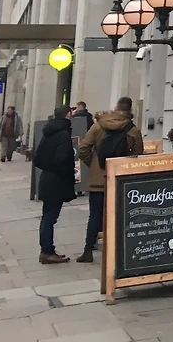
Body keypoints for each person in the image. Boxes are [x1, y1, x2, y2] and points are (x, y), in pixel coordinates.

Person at [76, 96, 143, 263]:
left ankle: (88, 250)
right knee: (120, 216)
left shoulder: (98, 124)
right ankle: (119, 252)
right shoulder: (133, 130)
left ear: (115, 107)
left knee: (95, 215)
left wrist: (93, 164)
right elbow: (138, 155)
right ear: (130, 110)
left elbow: (83, 148)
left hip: (98, 179)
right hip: (120, 179)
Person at [34, 105, 77, 263]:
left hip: (47, 178)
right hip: (57, 182)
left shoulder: (49, 132)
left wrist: (49, 167)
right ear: (67, 115)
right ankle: (47, 251)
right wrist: (67, 172)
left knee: (47, 216)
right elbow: (62, 159)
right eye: (71, 113)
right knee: (50, 217)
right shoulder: (63, 134)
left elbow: (38, 158)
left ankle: (47, 250)